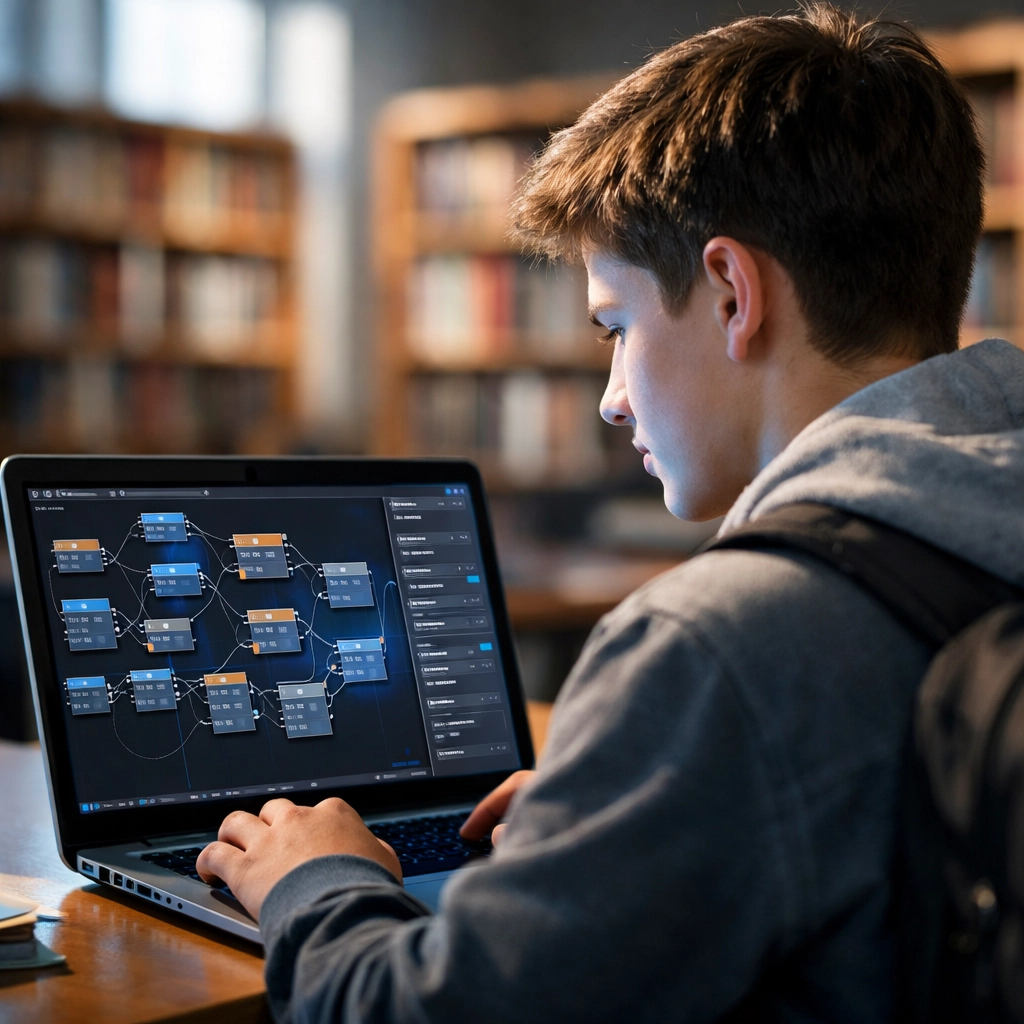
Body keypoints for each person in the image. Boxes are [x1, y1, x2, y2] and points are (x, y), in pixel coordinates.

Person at [196, 4, 1024, 1020]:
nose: (610, 395)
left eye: (615, 325)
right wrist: (638, 803)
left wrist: (311, 878)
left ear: (730, 293)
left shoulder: (718, 647)